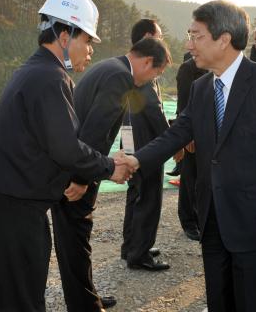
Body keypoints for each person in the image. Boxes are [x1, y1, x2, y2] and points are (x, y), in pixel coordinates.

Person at [116, 0, 256, 312]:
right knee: (219, 297)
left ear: (224, 39)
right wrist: (136, 159)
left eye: (196, 36)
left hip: (254, 218)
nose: (189, 44)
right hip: (212, 215)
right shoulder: (203, 88)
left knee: (254, 300)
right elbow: (177, 133)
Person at [0, 0, 131, 312]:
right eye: (87, 41)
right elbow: (65, 149)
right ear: (65, 36)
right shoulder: (50, 78)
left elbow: (42, 144)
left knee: (3, 295)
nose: (89, 52)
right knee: (22, 299)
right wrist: (109, 167)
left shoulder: (32, 70)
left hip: (2, 201)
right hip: (18, 209)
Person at [51, 37, 172, 311]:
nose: (154, 79)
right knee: (76, 239)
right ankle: (85, 305)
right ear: (147, 62)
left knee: (73, 239)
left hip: (74, 164)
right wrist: (83, 179)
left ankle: (85, 296)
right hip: (77, 172)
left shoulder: (110, 67)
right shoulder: (121, 78)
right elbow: (95, 130)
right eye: (157, 73)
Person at [120, 19, 171, 270]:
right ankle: (139, 254)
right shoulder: (148, 67)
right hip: (147, 143)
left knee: (135, 192)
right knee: (149, 197)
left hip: (128, 135)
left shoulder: (130, 65)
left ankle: (130, 245)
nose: (162, 40)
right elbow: (155, 109)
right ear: (149, 36)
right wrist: (172, 140)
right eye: (159, 36)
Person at [175, 52, 207, 240]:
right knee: (189, 176)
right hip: (194, 133)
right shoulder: (188, 68)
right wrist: (188, 136)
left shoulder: (218, 66)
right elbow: (183, 105)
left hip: (212, 131)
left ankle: (201, 217)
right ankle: (189, 221)